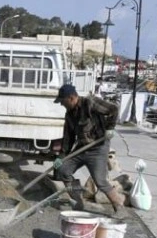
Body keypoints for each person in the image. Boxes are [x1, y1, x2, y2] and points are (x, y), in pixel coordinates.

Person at [52, 84, 125, 215]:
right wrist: (61, 156)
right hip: (82, 148)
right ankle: (78, 201)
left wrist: (110, 128)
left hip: (98, 147)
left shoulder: (90, 103)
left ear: (71, 98)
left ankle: (119, 206)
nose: (61, 104)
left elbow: (114, 109)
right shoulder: (69, 115)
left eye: (62, 101)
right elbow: (68, 139)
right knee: (63, 170)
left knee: (100, 180)